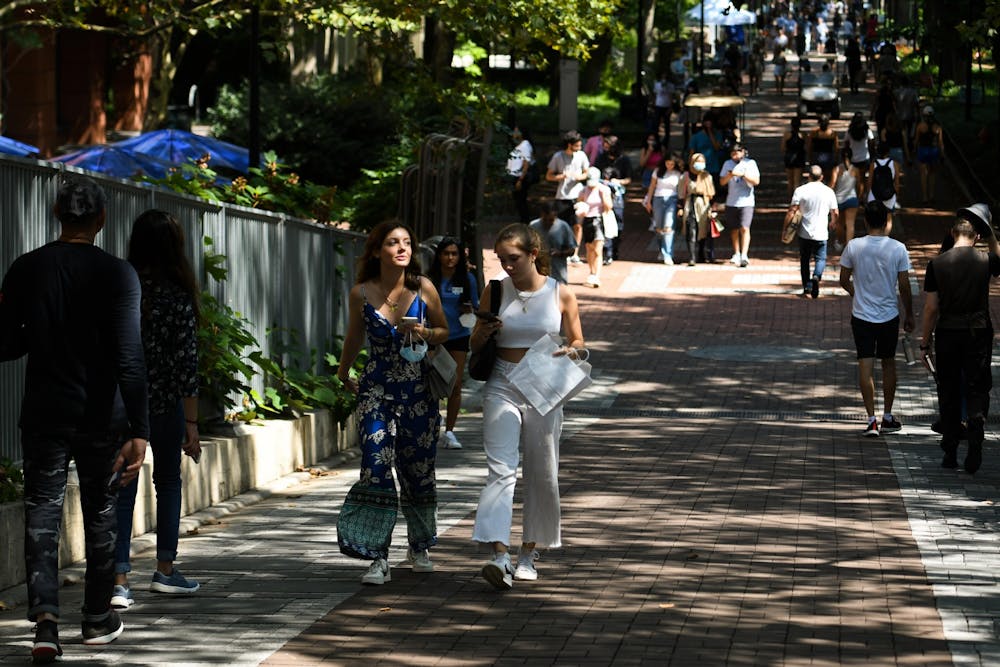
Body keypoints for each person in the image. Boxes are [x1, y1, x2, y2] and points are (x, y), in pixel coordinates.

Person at [0, 177, 149, 662]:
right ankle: (96, 619)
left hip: (44, 410)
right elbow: (130, 356)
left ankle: (45, 623)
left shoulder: (26, 268)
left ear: (56, 214)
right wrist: (140, 430)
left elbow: (7, 344)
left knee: (42, 511)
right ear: (102, 218)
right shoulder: (119, 274)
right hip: (101, 415)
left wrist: (39, 329)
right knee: (101, 511)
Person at [470, 223, 585, 590]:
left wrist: (572, 348)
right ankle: (499, 555)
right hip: (501, 380)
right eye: (501, 259)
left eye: (513, 259)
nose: (506, 266)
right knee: (500, 468)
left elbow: (579, 338)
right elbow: (474, 344)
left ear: (533, 254)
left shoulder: (560, 293)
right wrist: (484, 331)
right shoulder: (495, 291)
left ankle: (528, 553)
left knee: (542, 470)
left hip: (543, 382)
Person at [335, 221, 450, 585]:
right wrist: (342, 372)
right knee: (375, 466)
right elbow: (354, 336)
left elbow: (445, 331)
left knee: (417, 470)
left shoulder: (423, 287)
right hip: (375, 390)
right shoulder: (360, 293)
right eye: (392, 243)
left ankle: (419, 545)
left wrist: (425, 332)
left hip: (417, 392)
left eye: (407, 243)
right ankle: (377, 556)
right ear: (376, 251)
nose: (402, 248)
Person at [113, 210, 202, 613]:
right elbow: (187, 361)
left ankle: (118, 579)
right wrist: (192, 421)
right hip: (166, 403)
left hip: (124, 402)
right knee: (167, 481)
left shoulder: (121, 287)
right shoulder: (177, 293)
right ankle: (165, 569)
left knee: (122, 485)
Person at [920, 205, 1000, 473]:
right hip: (978, 331)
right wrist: (991, 235)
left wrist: (924, 342)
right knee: (977, 387)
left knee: (949, 389)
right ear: (976, 235)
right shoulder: (985, 260)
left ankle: (950, 449)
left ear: (952, 233)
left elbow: (931, 308)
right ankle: (975, 438)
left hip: (947, 333)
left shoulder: (937, 264)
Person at [838, 201, 914, 437]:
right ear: (887, 221)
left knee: (865, 364)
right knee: (889, 362)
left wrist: (855, 292)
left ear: (865, 221)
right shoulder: (898, 248)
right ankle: (888, 417)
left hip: (861, 315)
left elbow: (843, 278)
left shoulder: (854, 246)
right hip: (889, 315)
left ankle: (871, 419)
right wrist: (909, 313)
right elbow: (904, 285)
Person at [428, 237, 480, 450]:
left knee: (455, 384)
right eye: (446, 253)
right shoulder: (429, 279)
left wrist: (469, 309)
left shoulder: (468, 279)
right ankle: (431, 426)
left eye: (454, 253)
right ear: (439, 255)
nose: (450, 258)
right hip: (432, 335)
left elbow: (475, 305)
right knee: (431, 384)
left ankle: (449, 431)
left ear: (460, 257)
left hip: (458, 335)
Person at [783, 165, 840, 298]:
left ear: (808, 176)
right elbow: (835, 212)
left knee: (805, 260)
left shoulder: (800, 190)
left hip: (804, 232)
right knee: (821, 258)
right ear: (821, 177)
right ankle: (816, 276)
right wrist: (833, 222)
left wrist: (786, 228)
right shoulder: (828, 191)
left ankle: (807, 287)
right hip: (821, 232)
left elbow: (792, 211)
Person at [546, 130, 590, 264]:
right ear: (569, 145)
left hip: (577, 196)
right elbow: (548, 176)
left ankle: (574, 254)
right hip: (562, 196)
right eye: (577, 145)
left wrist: (579, 177)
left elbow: (586, 173)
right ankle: (561, 251)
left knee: (577, 225)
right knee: (560, 225)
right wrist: (560, 176)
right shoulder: (558, 156)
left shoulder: (581, 155)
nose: (580, 147)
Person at [720, 143, 761, 267]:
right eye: (733, 153)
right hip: (731, 201)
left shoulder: (750, 163)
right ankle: (736, 252)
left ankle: (744, 254)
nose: (735, 156)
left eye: (737, 153)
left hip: (747, 201)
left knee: (744, 227)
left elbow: (756, 181)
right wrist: (730, 175)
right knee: (734, 229)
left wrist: (743, 175)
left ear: (743, 152)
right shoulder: (727, 164)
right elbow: (722, 182)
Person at [594, 135, 632, 265]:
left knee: (618, 224)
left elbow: (629, 179)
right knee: (604, 223)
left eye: (607, 146)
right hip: (602, 194)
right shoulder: (601, 158)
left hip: (617, 196)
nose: (605, 148)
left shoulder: (624, 160)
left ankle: (615, 248)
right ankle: (607, 253)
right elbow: (595, 173)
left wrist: (618, 182)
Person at [644, 152, 684, 266]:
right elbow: (652, 186)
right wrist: (648, 201)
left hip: (672, 199)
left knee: (668, 227)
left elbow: (681, 190)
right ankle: (662, 249)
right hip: (658, 199)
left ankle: (668, 254)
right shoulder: (658, 171)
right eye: (667, 163)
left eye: (672, 164)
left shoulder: (678, 173)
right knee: (659, 227)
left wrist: (680, 205)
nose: (669, 166)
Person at [576, 167, 614, 288]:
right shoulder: (583, 190)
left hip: (599, 220)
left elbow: (609, 207)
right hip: (587, 220)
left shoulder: (604, 189)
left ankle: (596, 275)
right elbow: (579, 205)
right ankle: (591, 272)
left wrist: (603, 197)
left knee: (598, 249)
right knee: (589, 248)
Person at [680, 152, 717, 264]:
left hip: (704, 205)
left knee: (703, 231)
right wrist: (680, 207)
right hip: (690, 204)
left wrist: (713, 209)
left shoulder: (707, 176)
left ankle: (701, 253)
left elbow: (712, 194)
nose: (699, 164)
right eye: (697, 162)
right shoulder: (685, 176)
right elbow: (681, 193)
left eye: (702, 162)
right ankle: (692, 257)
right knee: (691, 230)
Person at [529, 201, 577, 285]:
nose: (547, 222)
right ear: (542, 214)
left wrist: (560, 253)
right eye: (545, 219)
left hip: (558, 275)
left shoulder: (563, 226)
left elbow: (572, 250)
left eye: (551, 220)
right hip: (538, 274)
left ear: (556, 215)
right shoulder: (533, 226)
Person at [832, 147, 862, 249]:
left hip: (838, 200)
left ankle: (840, 242)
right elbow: (859, 185)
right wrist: (859, 196)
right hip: (852, 198)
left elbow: (832, 185)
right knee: (850, 224)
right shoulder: (856, 170)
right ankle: (849, 247)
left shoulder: (836, 169)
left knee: (839, 224)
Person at [914, 105, 944, 204]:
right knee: (932, 174)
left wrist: (914, 151)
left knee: (923, 174)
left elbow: (916, 140)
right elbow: (940, 143)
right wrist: (942, 155)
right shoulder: (938, 127)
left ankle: (924, 197)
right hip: (934, 151)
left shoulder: (920, 126)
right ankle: (931, 196)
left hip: (923, 150)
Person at [506, 126, 535, 223]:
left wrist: (520, 180)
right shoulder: (520, 145)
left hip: (520, 177)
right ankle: (523, 220)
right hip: (516, 177)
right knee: (518, 201)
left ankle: (525, 221)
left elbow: (526, 163)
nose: (514, 133)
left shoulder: (525, 144)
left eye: (516, 131)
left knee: (521, 201)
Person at [843, 112, 874, 200]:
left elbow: (845, 144)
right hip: (864, 158)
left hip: (853, 159)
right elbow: (872, 142)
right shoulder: (866, 130)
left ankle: (856, 196)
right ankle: (861, 198)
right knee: (862, 179)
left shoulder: (850, 131)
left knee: (855, 179)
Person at [866, 141, 900, 217]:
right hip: (889, 196)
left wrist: (868, 195)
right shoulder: (894, 163)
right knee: (888, 219)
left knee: (874, 219)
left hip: (874, 195)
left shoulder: (873, 164)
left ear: (877, 151)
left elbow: (869, 181)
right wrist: (896, 195)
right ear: (888, 151)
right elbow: (896, 182)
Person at [781, 116, 807, 201]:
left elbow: (783, 148)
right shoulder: (803, 135)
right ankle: (796, 200)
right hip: (799, 157)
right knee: (797, 181)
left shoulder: (787, 134)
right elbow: (806, 146)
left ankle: (790, 198)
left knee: (790, 180)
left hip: (789, 157)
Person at [652, 71, 674, 142]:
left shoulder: (670, 85)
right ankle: (656, 138)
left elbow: (671, 96)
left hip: (666, 106)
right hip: (658, 105)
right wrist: (654, 105)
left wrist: (670, 107)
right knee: (656, 123)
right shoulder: (657, 85)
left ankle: (666, 139)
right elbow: (655, 95)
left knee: (667, 124)